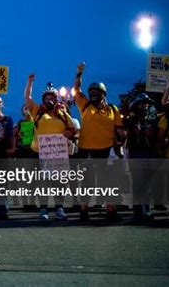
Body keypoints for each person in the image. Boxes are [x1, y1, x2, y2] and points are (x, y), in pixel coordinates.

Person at [73, 62, 126, 221]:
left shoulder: (113, 109)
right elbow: (76, 90)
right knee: (88, 182)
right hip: (86, 149)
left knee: (107, 182)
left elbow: (119, 130)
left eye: (97, 92)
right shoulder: (85, 105)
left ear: (104, 94)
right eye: (91, 92)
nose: (93, 94)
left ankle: (110, 210)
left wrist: (122, 139)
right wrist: (79, 73)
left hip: (106, 149)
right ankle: (84, 211)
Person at [24, 74, 76, 220]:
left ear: (56, 98)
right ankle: (43, 209)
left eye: (52, 97)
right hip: (40, 152)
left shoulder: (63, 114)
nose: (49, 100)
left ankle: (59, 208)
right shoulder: (37, 112)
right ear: (43, 99)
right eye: (47, 97)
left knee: (59, 183)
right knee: (43, 183)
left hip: (58, 154)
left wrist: (68, 133)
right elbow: (27, 97)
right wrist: (30, 82)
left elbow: (73, 131)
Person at [124, 93, 158, 220]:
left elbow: (151, 132)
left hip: (148, 152)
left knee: (147, 182)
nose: (146, 106)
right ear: (137, 106)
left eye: (147, 104)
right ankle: (139, 211)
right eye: (143, 103)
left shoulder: (151, 118)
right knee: (139, 182)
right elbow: (134, 129)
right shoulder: (131, 119)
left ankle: (146, 209)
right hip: (136, 153)